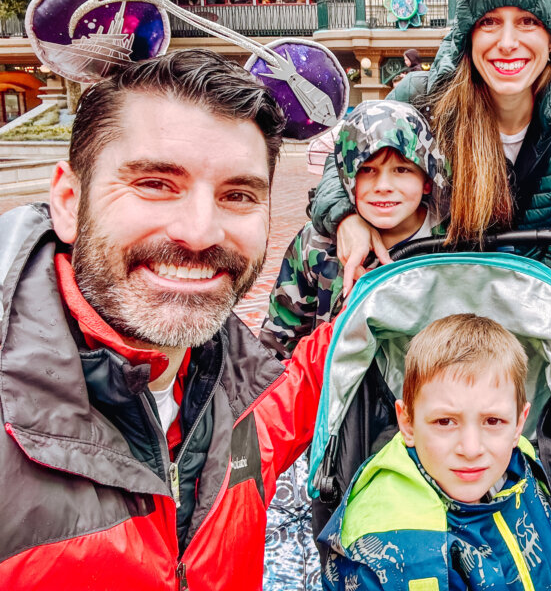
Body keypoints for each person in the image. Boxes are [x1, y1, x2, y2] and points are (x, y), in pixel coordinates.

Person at [0, 49, 332, 589]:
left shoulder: (247, 401)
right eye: (155, 183)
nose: (200, 232)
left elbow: (320, 368)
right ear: (68, 200)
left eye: (238, 194)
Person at [308, 0, 551, 293]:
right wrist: (346, 218)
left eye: (528, 22)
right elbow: (343, 158)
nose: (508, 42)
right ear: (467, 38)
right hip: (435, 290)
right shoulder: (421, 98)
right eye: (489, 22)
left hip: (535, 298)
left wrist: (528, 293)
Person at [318, 314, 551, 591]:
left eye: (493, 421)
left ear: (518, 425)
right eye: (445, 422)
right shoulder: (382, 541)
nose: (471, 449)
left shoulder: (525, 470)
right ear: (407, 423)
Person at [261, 100, 448, 354]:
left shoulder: (454, 242)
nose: (383, 185)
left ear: (426, 180)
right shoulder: (315, 244)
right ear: (347, 178)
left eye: (401, 169)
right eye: (367, 169)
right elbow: (279, 344)